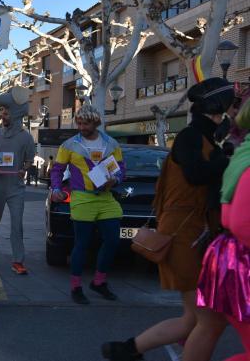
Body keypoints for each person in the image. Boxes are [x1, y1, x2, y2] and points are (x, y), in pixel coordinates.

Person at [102, 77, 234, 361]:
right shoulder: (190, 137)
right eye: (225, 108)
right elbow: (197, 174)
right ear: (216, 108)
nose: (227, 113)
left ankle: (127, 350)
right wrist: (227, 158)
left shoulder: (204, 137)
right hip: (184, 235)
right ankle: (127, 349)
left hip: (193, 233)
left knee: (192, 319)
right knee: (209, 321)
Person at [51, 105, 125, 305]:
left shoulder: (111, 144)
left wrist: (115, 180)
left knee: (112, 240)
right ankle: (76, 287)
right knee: (81, 244)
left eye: (86, 123)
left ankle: (99, 282)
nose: (82, 127)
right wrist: (56, 189)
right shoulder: (69, 145)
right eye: (80, 123)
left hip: (106, 198)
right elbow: (57, 169)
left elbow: (120, 170)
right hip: (82, 198)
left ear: (96, 123)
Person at [195, 98, 250, 361]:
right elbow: (242, 223)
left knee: (205, 326)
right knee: (202, 325)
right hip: (239, 266)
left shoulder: (243, 154)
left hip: (230, 260)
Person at [0, 86, 35, 275]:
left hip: (16, 188)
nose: (3, 115)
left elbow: (30, 159)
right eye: (2, 112)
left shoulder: (26, 137)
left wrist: (24, 169)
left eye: (6, 112)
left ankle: (18, 261)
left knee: (16, 224)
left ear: (16, 114)